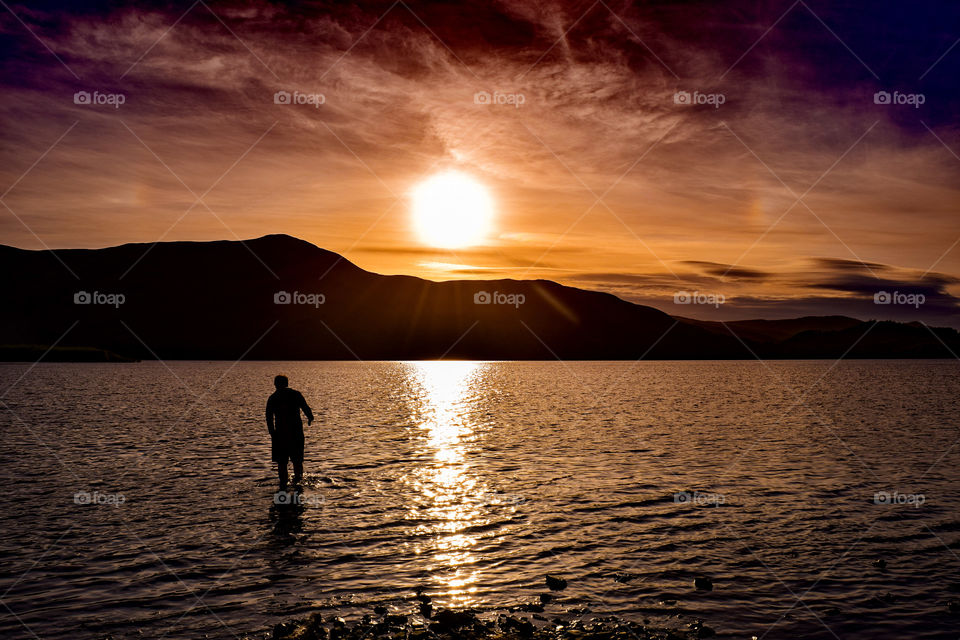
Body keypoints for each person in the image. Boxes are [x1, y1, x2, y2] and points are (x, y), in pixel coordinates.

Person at [266, 375, 314, 489]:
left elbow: (268, 417)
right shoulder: (296, 394)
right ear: (286, 383)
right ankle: (298, 482)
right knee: (297, 461)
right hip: (296, 433)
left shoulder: (273, 397)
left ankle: (283, 484)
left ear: (276, 384)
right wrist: (310, 418)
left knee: (282, 463)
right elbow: (306, 408)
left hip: (280, 435)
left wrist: (272, 433)